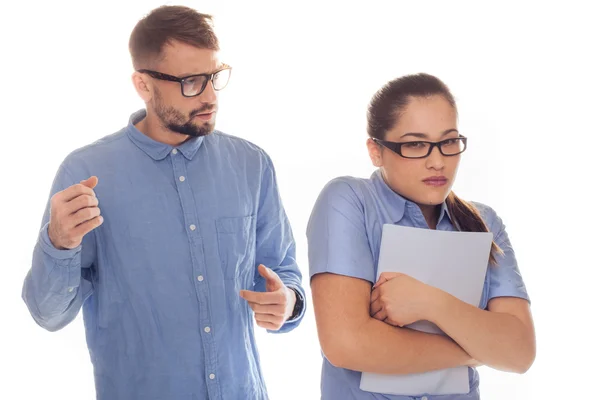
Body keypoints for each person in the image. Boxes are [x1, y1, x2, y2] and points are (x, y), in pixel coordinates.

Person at [22, 5, 305, 400]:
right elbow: (48, 315)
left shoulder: (251, 164)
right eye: (190, 82)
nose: (209, 96)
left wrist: (288, 301)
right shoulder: (85, 172)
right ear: (143, 84)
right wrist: (59, 243)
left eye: (214, 77)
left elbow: (283, 270)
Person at [307, 73, 535, 399]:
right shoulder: (348, 200)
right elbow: (347, 344)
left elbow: (520, 353)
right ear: (376, 151)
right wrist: (476, 348)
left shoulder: (484, 223)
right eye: (415, 144)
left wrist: (431, 303)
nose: (437, 161)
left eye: (449, 142)